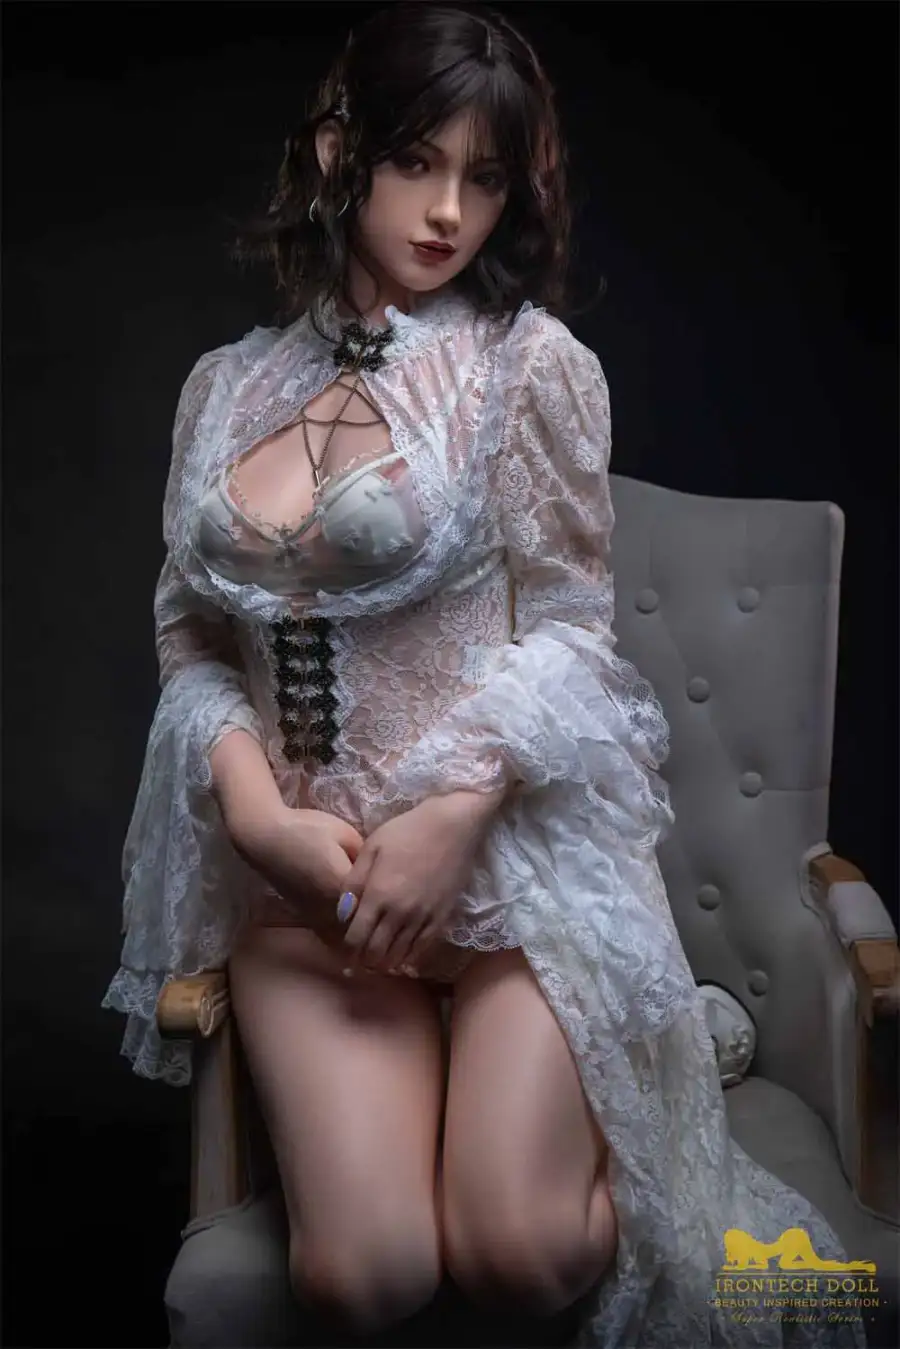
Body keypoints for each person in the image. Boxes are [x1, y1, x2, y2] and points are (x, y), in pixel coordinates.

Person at [103, 5, 866, 1346]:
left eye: (488, 177)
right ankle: (536, 1079)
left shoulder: (527, 368)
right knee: (369, 1278)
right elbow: (192, 639)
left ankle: (651, 1071)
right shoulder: (222, 388)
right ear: (338, 149)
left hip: (512, 877)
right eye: (417, 162)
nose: (450, 211)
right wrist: (259, 819)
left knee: (518, 1254)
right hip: (319, 904)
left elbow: (572, 629)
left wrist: (454, 815)